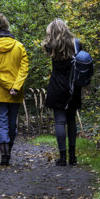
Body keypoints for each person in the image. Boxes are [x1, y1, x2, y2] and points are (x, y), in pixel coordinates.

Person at [0, 14, 29, 166]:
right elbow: (24, 69)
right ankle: (8, 151)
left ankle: (5, 155)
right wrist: (15, 86)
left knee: (1, 122)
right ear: (7, 27)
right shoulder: (19, 46)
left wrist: (6, 85)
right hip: (15, 92)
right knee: (11, 123)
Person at [42, 19, 83, 166]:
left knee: (59, 121)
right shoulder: (76, 43)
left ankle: (62, 157)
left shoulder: (50, 45)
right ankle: (73, 156)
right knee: (71, 120)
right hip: (73, 85)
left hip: (57, 85)